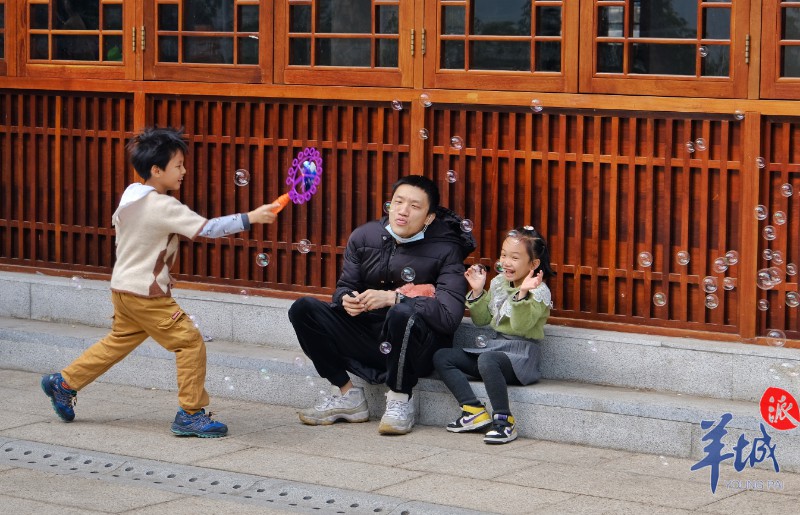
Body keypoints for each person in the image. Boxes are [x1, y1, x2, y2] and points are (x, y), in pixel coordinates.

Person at [41, 127, 279, 438]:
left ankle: (64, 383)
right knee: (189, 341)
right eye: (178, 165)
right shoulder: (163, 206)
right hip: (146, 295)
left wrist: (162, 270)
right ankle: (191, 414)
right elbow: (208, 229)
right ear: (157, 170)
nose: (184, 171)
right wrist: (252, 216)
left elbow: (141, 242)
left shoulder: (129, 197)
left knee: (117, 343)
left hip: (123, 288)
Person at [288, 175, 476, 435]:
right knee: (303, 309)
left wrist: (394, 298)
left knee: (401, 312)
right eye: (398, 202)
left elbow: (448, 317)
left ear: (429, 217)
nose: (403, 210)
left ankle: (400, 400)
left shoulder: (447, 249)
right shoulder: (365, 236)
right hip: (371, 336)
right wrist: (346, 300)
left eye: (414, 206)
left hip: (417, 348)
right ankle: (347, 395)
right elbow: (343, 287)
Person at [433, 226, 554, 444]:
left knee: (488, 360)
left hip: (520, 355)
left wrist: (523, 293)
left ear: (534, 263)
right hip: (495, 350)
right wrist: (478, 291)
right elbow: (482, 321)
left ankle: (504, 422)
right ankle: (473, 410)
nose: (506, 262)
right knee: (443, 356)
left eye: (515, 257)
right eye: (504, 255)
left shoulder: (539, 291)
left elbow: (520, 327)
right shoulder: (499, 282)